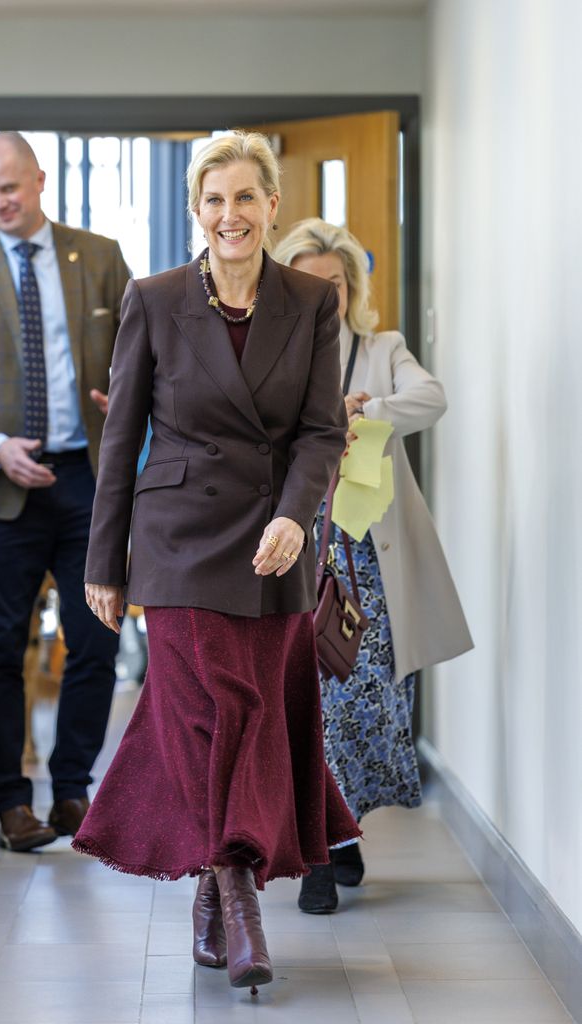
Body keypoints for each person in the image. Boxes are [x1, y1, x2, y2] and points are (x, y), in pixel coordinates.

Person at [71, 132, 360, 995]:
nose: (229, 216)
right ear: (195, 210)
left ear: (273, 205)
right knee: (216, 709)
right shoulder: (154, 299)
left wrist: (296, 518)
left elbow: (321, 431)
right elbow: (120, 438)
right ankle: (241, 902)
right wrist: (105, 561)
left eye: (245, 198)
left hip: (272, 545)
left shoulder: (309, 302)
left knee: (253, 717)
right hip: (178, 542)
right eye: (213, 200)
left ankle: (209, 883)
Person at [0, 133, 130, 852]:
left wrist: (124, 398)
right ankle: (11, 803)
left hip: (86, 480)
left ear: (39, 180)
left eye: (10, 188)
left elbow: (144, 351)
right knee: (0, 645)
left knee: (96, 637)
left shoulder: (98, 257)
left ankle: (73, 790)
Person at [274, 218, 473, 913]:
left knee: (357, 699)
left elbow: (433, 398)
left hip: (363, 561)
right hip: (288, 550)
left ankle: (340, 832)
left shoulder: (381, 348)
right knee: (304, 701)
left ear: (350, 287)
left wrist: (367, 411)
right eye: (307, 282)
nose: (321, 294)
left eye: (333, 282)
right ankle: (320, 853)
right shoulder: (268, 348)